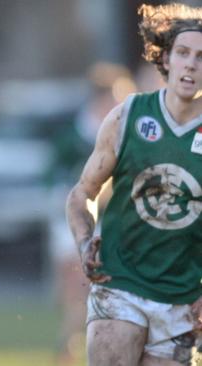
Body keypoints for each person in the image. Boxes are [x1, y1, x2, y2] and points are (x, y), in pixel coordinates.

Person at [66, 3, 202, 365]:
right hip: (120, 281)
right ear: (166, 60)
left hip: (182, 297)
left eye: (201, 57)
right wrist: (84, 243)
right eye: (183, 53)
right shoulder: (128, 116)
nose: (191, 64)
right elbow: (82, 195)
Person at [49, 62, 136, 366]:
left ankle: (73, 346)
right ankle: (70, 345)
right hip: (70, 222)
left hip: (109, 224)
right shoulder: (75, 133)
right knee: (73, 291)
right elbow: (56, 177)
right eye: (115, 96)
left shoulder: (126, 131)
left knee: (93, 291)